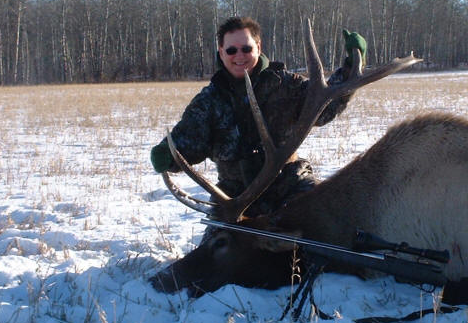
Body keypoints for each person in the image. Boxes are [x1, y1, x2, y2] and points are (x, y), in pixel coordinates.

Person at [150, 16, 366, 217]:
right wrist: (167, 154)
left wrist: (349, 69)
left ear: (258, 47)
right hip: (235, 197)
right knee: (216, 252)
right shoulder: (209, 101)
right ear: (221, 52)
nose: (239, 56)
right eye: (232, 50)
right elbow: (189, 139)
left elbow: (325, 107)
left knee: (322, 228)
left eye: (246, 48)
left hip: (290, 186)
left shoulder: (285, 85)